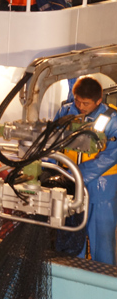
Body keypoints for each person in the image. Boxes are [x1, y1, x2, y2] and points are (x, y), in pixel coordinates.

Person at [53, 76, 117, 265]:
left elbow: (112, 154)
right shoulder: (65, 111)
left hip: (101, 185)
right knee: (71, 233)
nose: (80, 106)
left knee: (102, 236)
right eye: (77, 101)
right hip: (69, 180)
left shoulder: (112, 118)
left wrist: (78, 173)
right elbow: (52, 141)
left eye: (86, 103)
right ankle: (73, 271)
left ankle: (103, 276)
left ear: (99, 101)